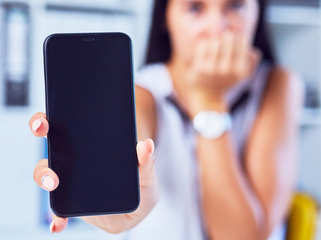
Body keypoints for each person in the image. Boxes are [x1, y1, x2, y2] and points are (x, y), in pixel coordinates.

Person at [29, 0, 304, 239]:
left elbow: (242, 236)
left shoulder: (278, 85)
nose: (217, 27)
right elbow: (131, 148)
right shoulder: (143, 93)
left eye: (235, 6)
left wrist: (209, 102)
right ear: (165, 17)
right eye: (195, 7)